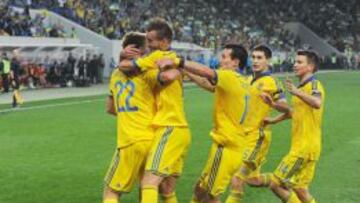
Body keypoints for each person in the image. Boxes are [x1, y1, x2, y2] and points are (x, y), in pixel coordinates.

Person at [158, 43, 249, 203]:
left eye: (224, 57)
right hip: (233, 146)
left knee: (210, 197)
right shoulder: (241, 81)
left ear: (236, 62)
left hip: (226, 147)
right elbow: (208, 84)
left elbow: (207, 73)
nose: (220, 60)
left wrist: (179, 62)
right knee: (200, 189)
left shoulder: (229, 77)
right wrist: (185, 71)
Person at [118, 18, 191, 203]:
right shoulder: (172, 59)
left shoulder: (158, 57)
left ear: (165, 42)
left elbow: (126, 67)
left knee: (149, 183)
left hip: (170, 126)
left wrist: (124, 57)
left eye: (151, 41)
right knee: (166, 189)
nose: (148, 45)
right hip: (178, 128)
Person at [225, 45, 290, 203]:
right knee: (252, 180)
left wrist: (273, 105)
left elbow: (287, 108)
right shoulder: (247, 80)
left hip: (258, 136)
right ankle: (278, 180)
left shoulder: (272, 82)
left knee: (237, 178)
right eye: (253, 57)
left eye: (259, 58)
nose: (255, 61)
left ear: (268, 60)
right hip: (242, 135)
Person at [265, 50, 325, 203]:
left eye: (299, 62)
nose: (295, 64)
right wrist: (273, 118)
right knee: (300, 189)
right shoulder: (302, 87)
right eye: (295, 61)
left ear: (310, 67)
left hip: (303, 148)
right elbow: (294, 112)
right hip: (309, 146)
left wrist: (296, 92)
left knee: (275, 183)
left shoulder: (313, 84)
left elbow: (317, 102)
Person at [103, 32, 156, 203]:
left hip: (130, 140)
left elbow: (110, 109)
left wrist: (129, 112)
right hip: (152, 139)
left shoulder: (116, 74)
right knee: (146, 188)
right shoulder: (148, 72)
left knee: (111, 191)